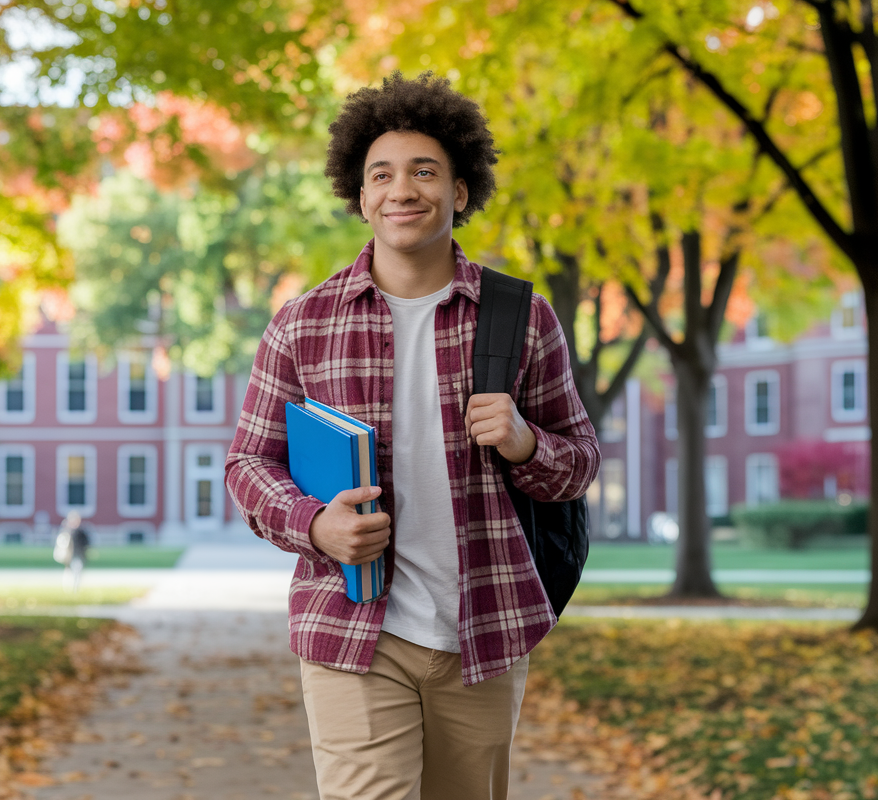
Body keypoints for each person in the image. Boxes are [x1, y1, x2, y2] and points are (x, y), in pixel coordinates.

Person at [224, 72, 601, 800]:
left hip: (483, 630)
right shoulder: (305, 322)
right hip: (351, 627)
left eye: (425, 171)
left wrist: (525, 441)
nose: (404, 189)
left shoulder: (522, 317)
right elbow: (249, 462)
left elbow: (578, 461)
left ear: (460, 192)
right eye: (383, 174)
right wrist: (315, 526)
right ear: (361, 197)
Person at [57, 511, 90, 592]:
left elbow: (86, 544)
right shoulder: (66, 531)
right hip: (69, 556)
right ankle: (67, 590)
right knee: (68, 573)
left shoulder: (81, 531)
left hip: (78, 555)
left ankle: (75, 589)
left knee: (77, 572)